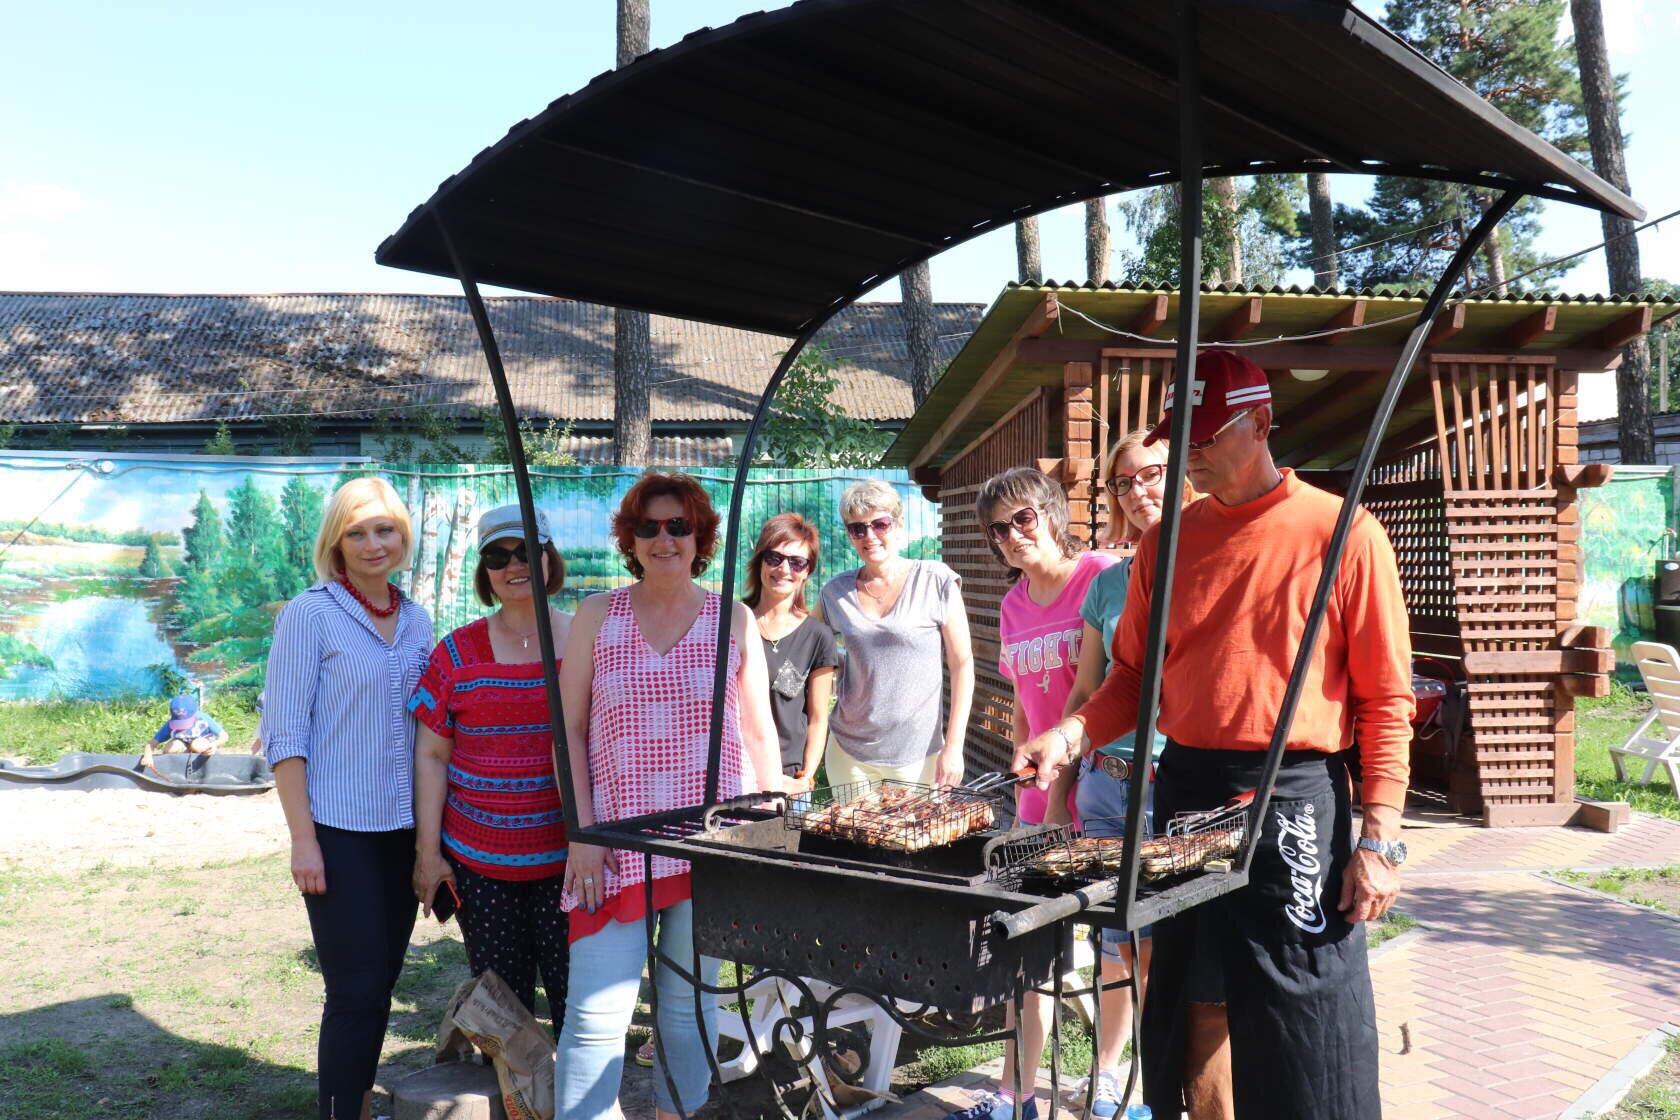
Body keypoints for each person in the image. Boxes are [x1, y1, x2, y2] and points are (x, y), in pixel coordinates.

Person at [1016, 350, 1414, 1120]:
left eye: (1207, 434)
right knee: (1190, 1001)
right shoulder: (1167, 544)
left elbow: (1386, 699)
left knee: (1301, 1012)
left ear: (1261, 422)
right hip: (1188, 790)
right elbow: (1133, 677)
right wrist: (1068, 737)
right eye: (1181, 436)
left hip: (1293, 797)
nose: (1190, 451)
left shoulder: (1343, 533)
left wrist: (1380, 838)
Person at [554, 472, 782, 1120]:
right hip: (614, 846)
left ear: (699, 537)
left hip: (709, 842)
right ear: (630, 538)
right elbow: (568, 731)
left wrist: (767, 836)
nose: (664, 538)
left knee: (688, 1009)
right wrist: (582, 836)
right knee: (596, 1014)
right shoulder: (597, 615)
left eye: (678, 526)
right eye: (648, 526)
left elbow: (757, 732)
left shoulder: (733, 618)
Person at [944, 467, 1119, 1120]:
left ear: (1052, 511)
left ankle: (1106, 1078)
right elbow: (1023, 704)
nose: (1012, 535)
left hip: (1101, 790)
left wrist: (1061, 782)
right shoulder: (1013, 603)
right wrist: (1026, 777)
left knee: (1115, 949)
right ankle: (1013, 1095)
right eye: (998, 529)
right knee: (1028, 955)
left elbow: (1107, 689)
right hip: (1036, 802)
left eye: (1023, 518)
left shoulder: (1099, 576)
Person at [262, 476, 433, 1120]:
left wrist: (430, 841)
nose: (372, 544)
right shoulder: (310, 615)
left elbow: (429, 733)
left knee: (381, 983)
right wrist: (303, 840)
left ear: (402, 536)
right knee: (354, 991)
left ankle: (358, 1103)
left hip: (403, 831)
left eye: (384, 530)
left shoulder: (417, 620)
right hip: (337, 831)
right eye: (356, 533)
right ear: (336, 542)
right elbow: (285, 735)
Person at [1056, 429, 1196, 1115]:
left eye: (1151, 474)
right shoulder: (1108, 584)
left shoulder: (1206, 564)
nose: (1137, 491)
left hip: (1174, 784)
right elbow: (1088, 690)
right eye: (1123, 482)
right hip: (1105, 785)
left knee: (1158, 946)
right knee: (1114, 943)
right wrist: (1061, 778)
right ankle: (1111, 1072)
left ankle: (1164, 1073)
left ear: (1181, 475)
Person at [410, 503, 572, 1024]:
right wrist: (428, 854)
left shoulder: (588, 641)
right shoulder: (455, 653)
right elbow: (432, 755)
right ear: (485, 571)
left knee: (580, 1013)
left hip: (574, 863)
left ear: (549, 557)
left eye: (526, 551)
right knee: (504, 1018)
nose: (514, 565)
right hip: (481, 868)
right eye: (498, 556)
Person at [818, 479, 973, 789]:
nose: (870, 536)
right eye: (858, 529)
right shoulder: (835, 592)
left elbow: (962, 664)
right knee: (849, 824)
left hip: (918, 756)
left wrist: (954, 746)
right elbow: (804, 651)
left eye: (880, 524)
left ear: (898, 524)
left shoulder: (935, 580)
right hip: (849, 754)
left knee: (916, 825)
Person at [743, 513, 839, 793]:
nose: (784, 569)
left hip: (788, 777)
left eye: (797, 562)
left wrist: (806, 776)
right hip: (738, 769)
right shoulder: (733, 623)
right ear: (760, 561)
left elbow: (818, 717)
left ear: (807, 571)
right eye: (774, 558)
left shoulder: (817, 637)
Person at [138, 690, 227, 773]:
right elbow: (151, 743)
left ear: (194, 713)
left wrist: (214, 745)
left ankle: (199, 765)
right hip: (183, 744)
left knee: (198, 745)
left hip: (202, 742)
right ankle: (183, 764)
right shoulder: (171, 723)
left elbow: (224, 736)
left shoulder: (203, 718)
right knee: (171, 749)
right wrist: (147, 756)